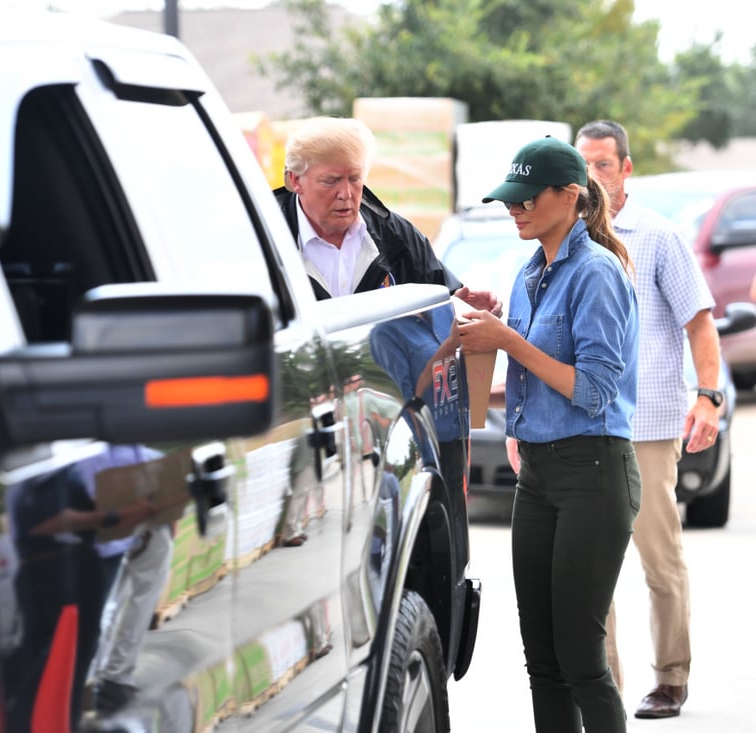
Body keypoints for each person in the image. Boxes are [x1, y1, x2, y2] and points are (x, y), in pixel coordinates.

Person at [456, 136, 641, 732]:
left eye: (526, 197)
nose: (515, 208)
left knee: (581, 659)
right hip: (536, 475)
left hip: (593, 472)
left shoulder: (597, 271)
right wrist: (494, 326)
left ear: (570, 196)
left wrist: (509, 340)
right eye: (510, 199)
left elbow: (592, 392)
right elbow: (531, 373)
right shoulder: (529, 270)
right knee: (542, 660)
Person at [575, 119, 723, 719]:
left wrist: (708, 396)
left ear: (626, 169)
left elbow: (699, 322)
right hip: (581, 427)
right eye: (582, 166)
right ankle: (603, 681)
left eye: (603, 165)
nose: (592, 178)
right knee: (591, 569)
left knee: (659, 560)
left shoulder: (658, 237)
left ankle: (670, 678)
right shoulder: (566, 240)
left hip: (649, 427)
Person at [273, 116, 501, 313]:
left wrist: (460, 307)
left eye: (355, 178)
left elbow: (442, 298)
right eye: (330, 181)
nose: (346, 193)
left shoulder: (396, 236)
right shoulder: (263, 241)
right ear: (295, 181)